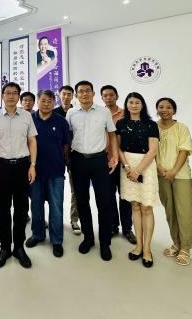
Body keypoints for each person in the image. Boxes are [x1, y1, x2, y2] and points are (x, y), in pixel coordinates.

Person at [66, 80, 119, 261]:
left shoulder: (104, 112)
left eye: (88, 91)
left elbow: (112, 135)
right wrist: (67, 159)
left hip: (99, 160)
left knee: (104, 202)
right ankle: (88, 238)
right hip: (78, 160)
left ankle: (105, 242)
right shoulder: (71, 113)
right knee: (82, 201)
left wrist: (115, 156)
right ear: (76, 95)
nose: (84, 94)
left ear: (93, 93)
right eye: (81, 91)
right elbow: (68, 137)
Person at [0, 82, 38, 269]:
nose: (10, 96)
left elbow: (32, 141)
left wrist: (32, 165)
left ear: (18, 96)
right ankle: (4, 248)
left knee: (22, 209)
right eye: (7, 93)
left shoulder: (26, 116)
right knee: (3, 210)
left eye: (14, 93)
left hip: (22, 166)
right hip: (1, 167)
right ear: (2, 96)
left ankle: (18, 247)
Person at [116, 92, 160, 268]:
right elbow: (118, 148)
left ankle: (147, 249)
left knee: (146, 207)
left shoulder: (151, 124)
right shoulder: (121, 123)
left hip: (146, 166)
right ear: (126, 105)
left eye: (137, 102)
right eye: (131, 102)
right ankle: (139, 245)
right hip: (127, 166)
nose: (134, 105)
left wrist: (138, 170)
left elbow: (153, 150)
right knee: (134, 206)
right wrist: (128, 167)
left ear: (142, 105)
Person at [26, 90, 70, 257]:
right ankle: (37, 234)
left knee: (56, 207)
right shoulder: (29, 119)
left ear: (54, 102)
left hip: (55, 171)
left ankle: (57, 240)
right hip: (34, 171)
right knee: (36, 206)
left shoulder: (61, 121)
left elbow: (66, 145)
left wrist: (65, 163)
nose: (46, 104)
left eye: (50, 101)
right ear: (37, 101)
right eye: (43, 100)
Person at [155, 97, 192, 266]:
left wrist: (173, 171)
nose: (165, 110)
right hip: (161, 175)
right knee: (170, 211)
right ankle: (176, 243)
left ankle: (186, 248)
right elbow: (150, 151)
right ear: (157, 109)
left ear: (174, 110)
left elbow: (184, 151)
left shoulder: (181, 128)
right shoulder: (152, 127)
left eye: (168, 107)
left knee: (185, 212)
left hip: (181, 176)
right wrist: (160, 169)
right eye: (161, 107)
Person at [101, 85, 136, 244]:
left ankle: (127, 229)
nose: (108, 98)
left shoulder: (125, 114)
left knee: (125, 196)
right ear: (102, 98)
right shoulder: (99, 114)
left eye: (111, 95)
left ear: (117, 96)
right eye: (105, 95)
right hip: (106, 162)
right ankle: (113, 226)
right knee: (108, 196)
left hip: (124, 162)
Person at [53, 84, 80, 235]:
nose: (66, 96)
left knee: (75, 189)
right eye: (64, 94)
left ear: (73, 96)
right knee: (55, 190)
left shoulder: (76, 112)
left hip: (73, 155)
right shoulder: (53, 112)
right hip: (56, 156)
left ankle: (74, 219)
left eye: (69, 94)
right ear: (59, 95)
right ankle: (55, 220)